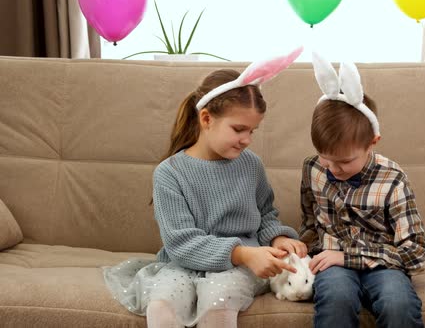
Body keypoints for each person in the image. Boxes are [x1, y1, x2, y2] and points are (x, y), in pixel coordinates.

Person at [103, 47, 307, 328]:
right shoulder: (169, 174)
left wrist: (277, 239)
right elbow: (180, 243)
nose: (247, 139)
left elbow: (265, 215)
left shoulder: (251, 166)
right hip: (184, 264)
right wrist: (242, 252)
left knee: (217, 300)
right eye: (238, 129)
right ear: (207, 119)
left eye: (252, 131)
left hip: (241, 266)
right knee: (161, 304)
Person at [299, 53, 425, 328]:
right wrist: (305, 247)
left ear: (373, 142)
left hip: (382, 265)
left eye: (345, 161)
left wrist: (349, 257)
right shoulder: (312, 169)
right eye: (326, 158)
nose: (333, 169)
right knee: (335, 299)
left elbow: (417, 252)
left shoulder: (392, 179)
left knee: (398, 304)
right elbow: (311, 222)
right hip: (332, 263)